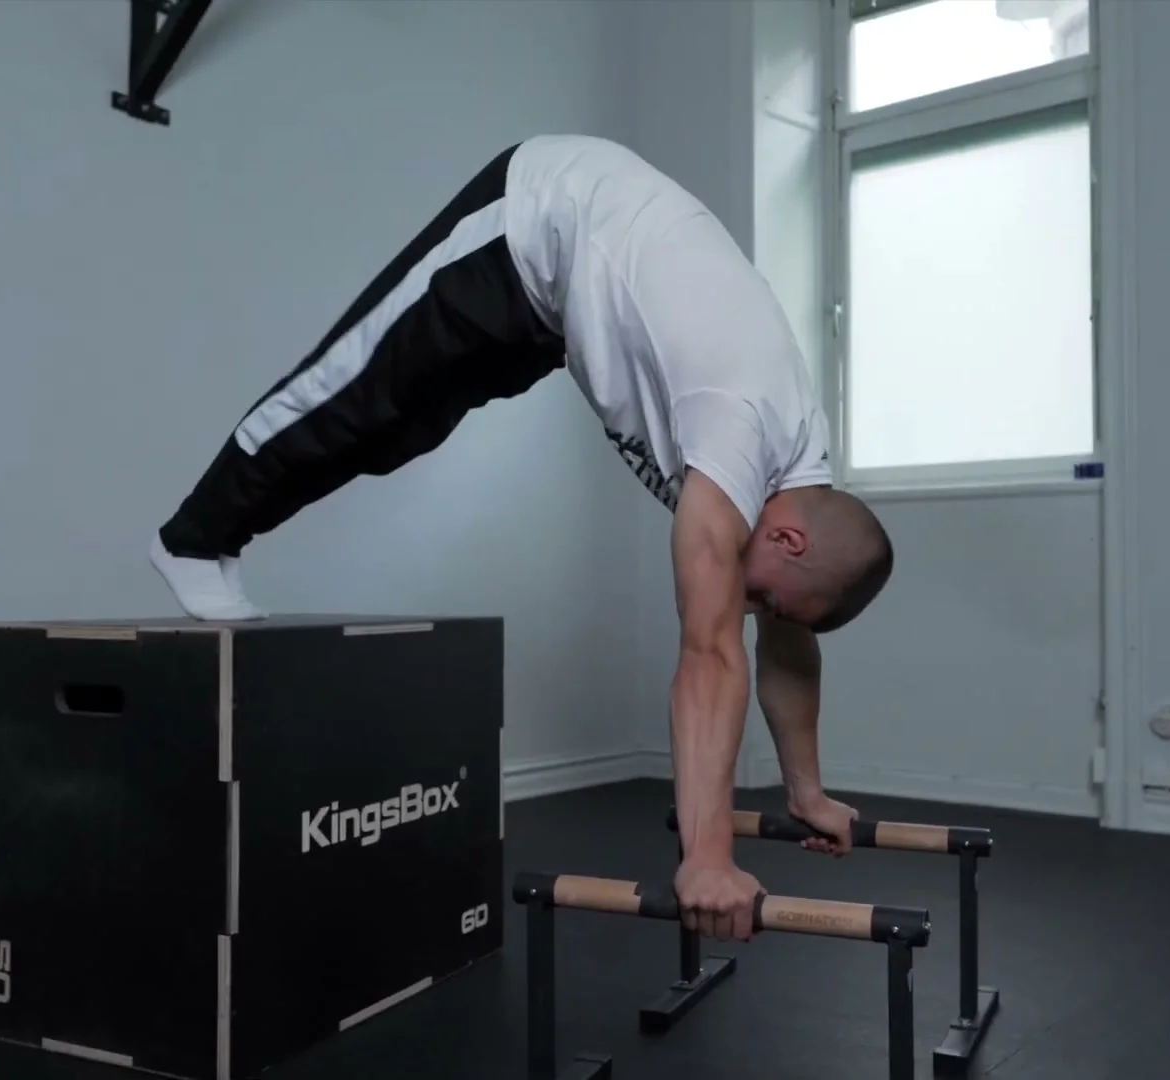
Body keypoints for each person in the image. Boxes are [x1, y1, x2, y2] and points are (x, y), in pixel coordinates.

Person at [150, 134, 894, 943]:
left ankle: (217, 532)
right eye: (765, 596)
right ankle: (194, 537)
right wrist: (707, 856)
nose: (755, 607)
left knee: (399, 431)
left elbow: (785, 645)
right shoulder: (738, 432)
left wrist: (808, 791)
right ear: (786, 540)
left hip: (556, 305)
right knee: (357, 392)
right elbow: (710, 654)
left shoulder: (799, 475)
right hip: (537, 218)